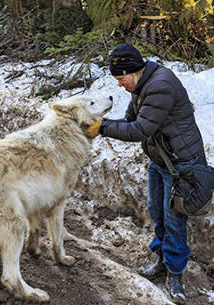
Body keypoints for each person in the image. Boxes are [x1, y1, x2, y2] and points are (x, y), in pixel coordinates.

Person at [85, 43, 207, 305]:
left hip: (181, 164)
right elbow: (130, 121)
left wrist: (103, 128)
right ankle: (161, 261)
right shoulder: (140, 85)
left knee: (174, 219)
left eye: (120, 78)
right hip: (161, 160)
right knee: (157, 211)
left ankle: (175, 274)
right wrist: (100, 124)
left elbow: (140, 129)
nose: (119, 84)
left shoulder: (161, 85)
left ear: (132, 70)